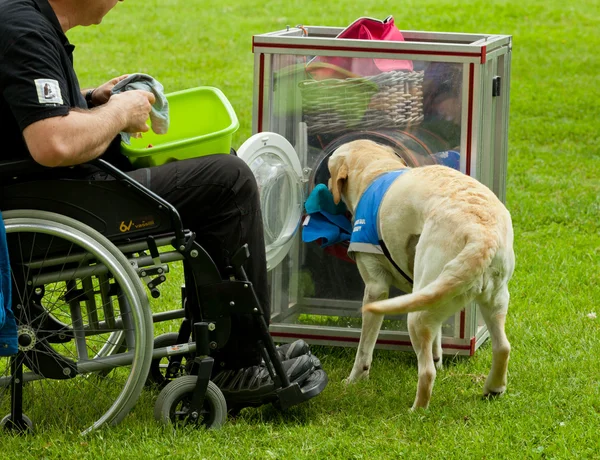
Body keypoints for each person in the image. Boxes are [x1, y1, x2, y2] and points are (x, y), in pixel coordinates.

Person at [0, 0, 318, 407]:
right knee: (229, 180)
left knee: (217, 169)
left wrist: (92, 99)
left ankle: (232, 344)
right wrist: (116, 112)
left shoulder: (22, 20)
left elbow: (29, 108)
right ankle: (237, 363)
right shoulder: (22, 29)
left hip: (50, 191)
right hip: (59, 202)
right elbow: (53, 142)